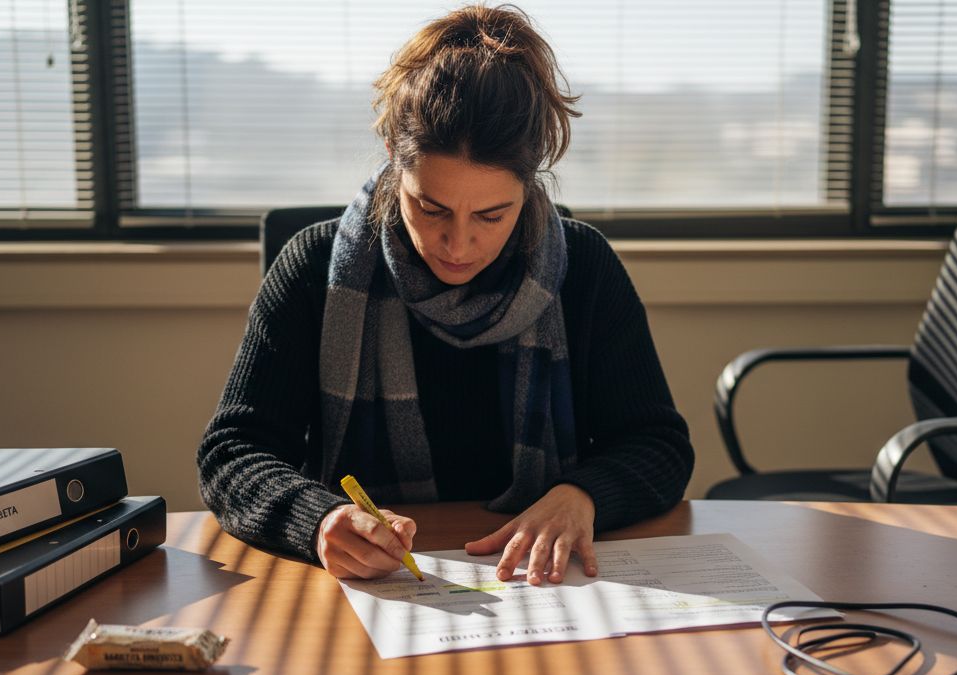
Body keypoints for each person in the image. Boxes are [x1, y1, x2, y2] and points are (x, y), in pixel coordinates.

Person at [197, 4, 693, 587]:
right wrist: (321, 518)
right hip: (370, 593)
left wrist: (581, 496)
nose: (458, 244)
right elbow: (231, 453)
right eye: (429, 208)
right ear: (391, 153)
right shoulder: (312, 265)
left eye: (491, 214)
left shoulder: (585, 267)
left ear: (531, 182)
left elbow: (659, 445)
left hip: (542, 589)